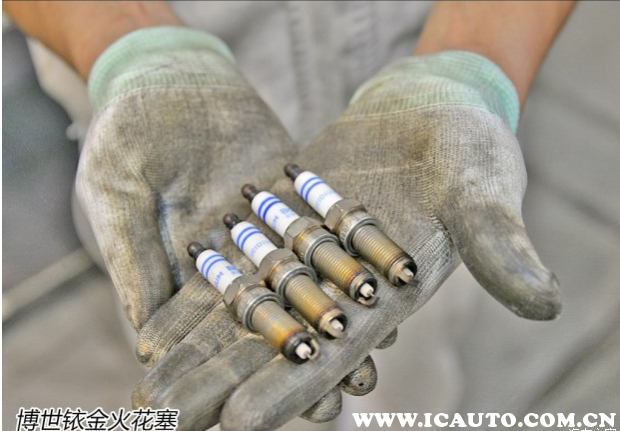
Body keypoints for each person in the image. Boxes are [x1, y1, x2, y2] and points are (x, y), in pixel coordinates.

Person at [4, 2, 576, 430]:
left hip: (406, 105)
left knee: (407, 377)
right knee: (209, 373)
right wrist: (130, 46)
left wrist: (470, 64)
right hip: (171, 165)